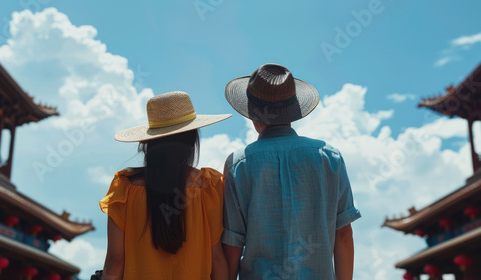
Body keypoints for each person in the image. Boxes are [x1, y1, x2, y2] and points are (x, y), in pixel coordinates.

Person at [221, 64, 361, 280]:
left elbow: (232, 246)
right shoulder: (329, 157)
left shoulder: (238, 164)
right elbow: (343, 235)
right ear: (292, 109)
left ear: (251, 112)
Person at [99, 91, 231, 280]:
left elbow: (116, 259)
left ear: (149, 143)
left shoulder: (124, 187)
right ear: (192, 140)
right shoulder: (208, 186)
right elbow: (216, 257)